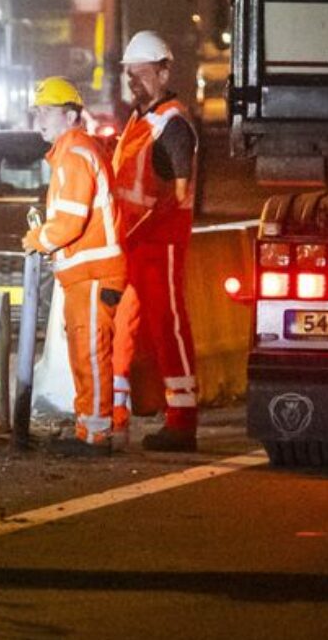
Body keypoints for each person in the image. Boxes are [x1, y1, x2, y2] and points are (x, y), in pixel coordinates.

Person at [22, 77, 127, 455]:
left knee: (92, 355)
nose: (40, 120)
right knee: (84, 353)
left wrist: (38, 240)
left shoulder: (75, 155)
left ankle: (96, 434)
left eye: (47, 112)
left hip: (94, 273)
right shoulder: (71, 152)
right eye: (37, 112)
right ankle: (88, 429)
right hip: (85, 274)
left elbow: (69, 223)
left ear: (70, 115)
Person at [111, 30, 201, 452]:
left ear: (164, 72)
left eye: (141, 74)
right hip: (132, 241)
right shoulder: (139, 122)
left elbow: (178, 193)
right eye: (130, 74)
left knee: (168, 325)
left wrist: (147, 222)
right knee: (122, 328)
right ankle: (113, 413)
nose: (133, 81)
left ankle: (182, 420)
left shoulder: (172, 124)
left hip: (160, 241)